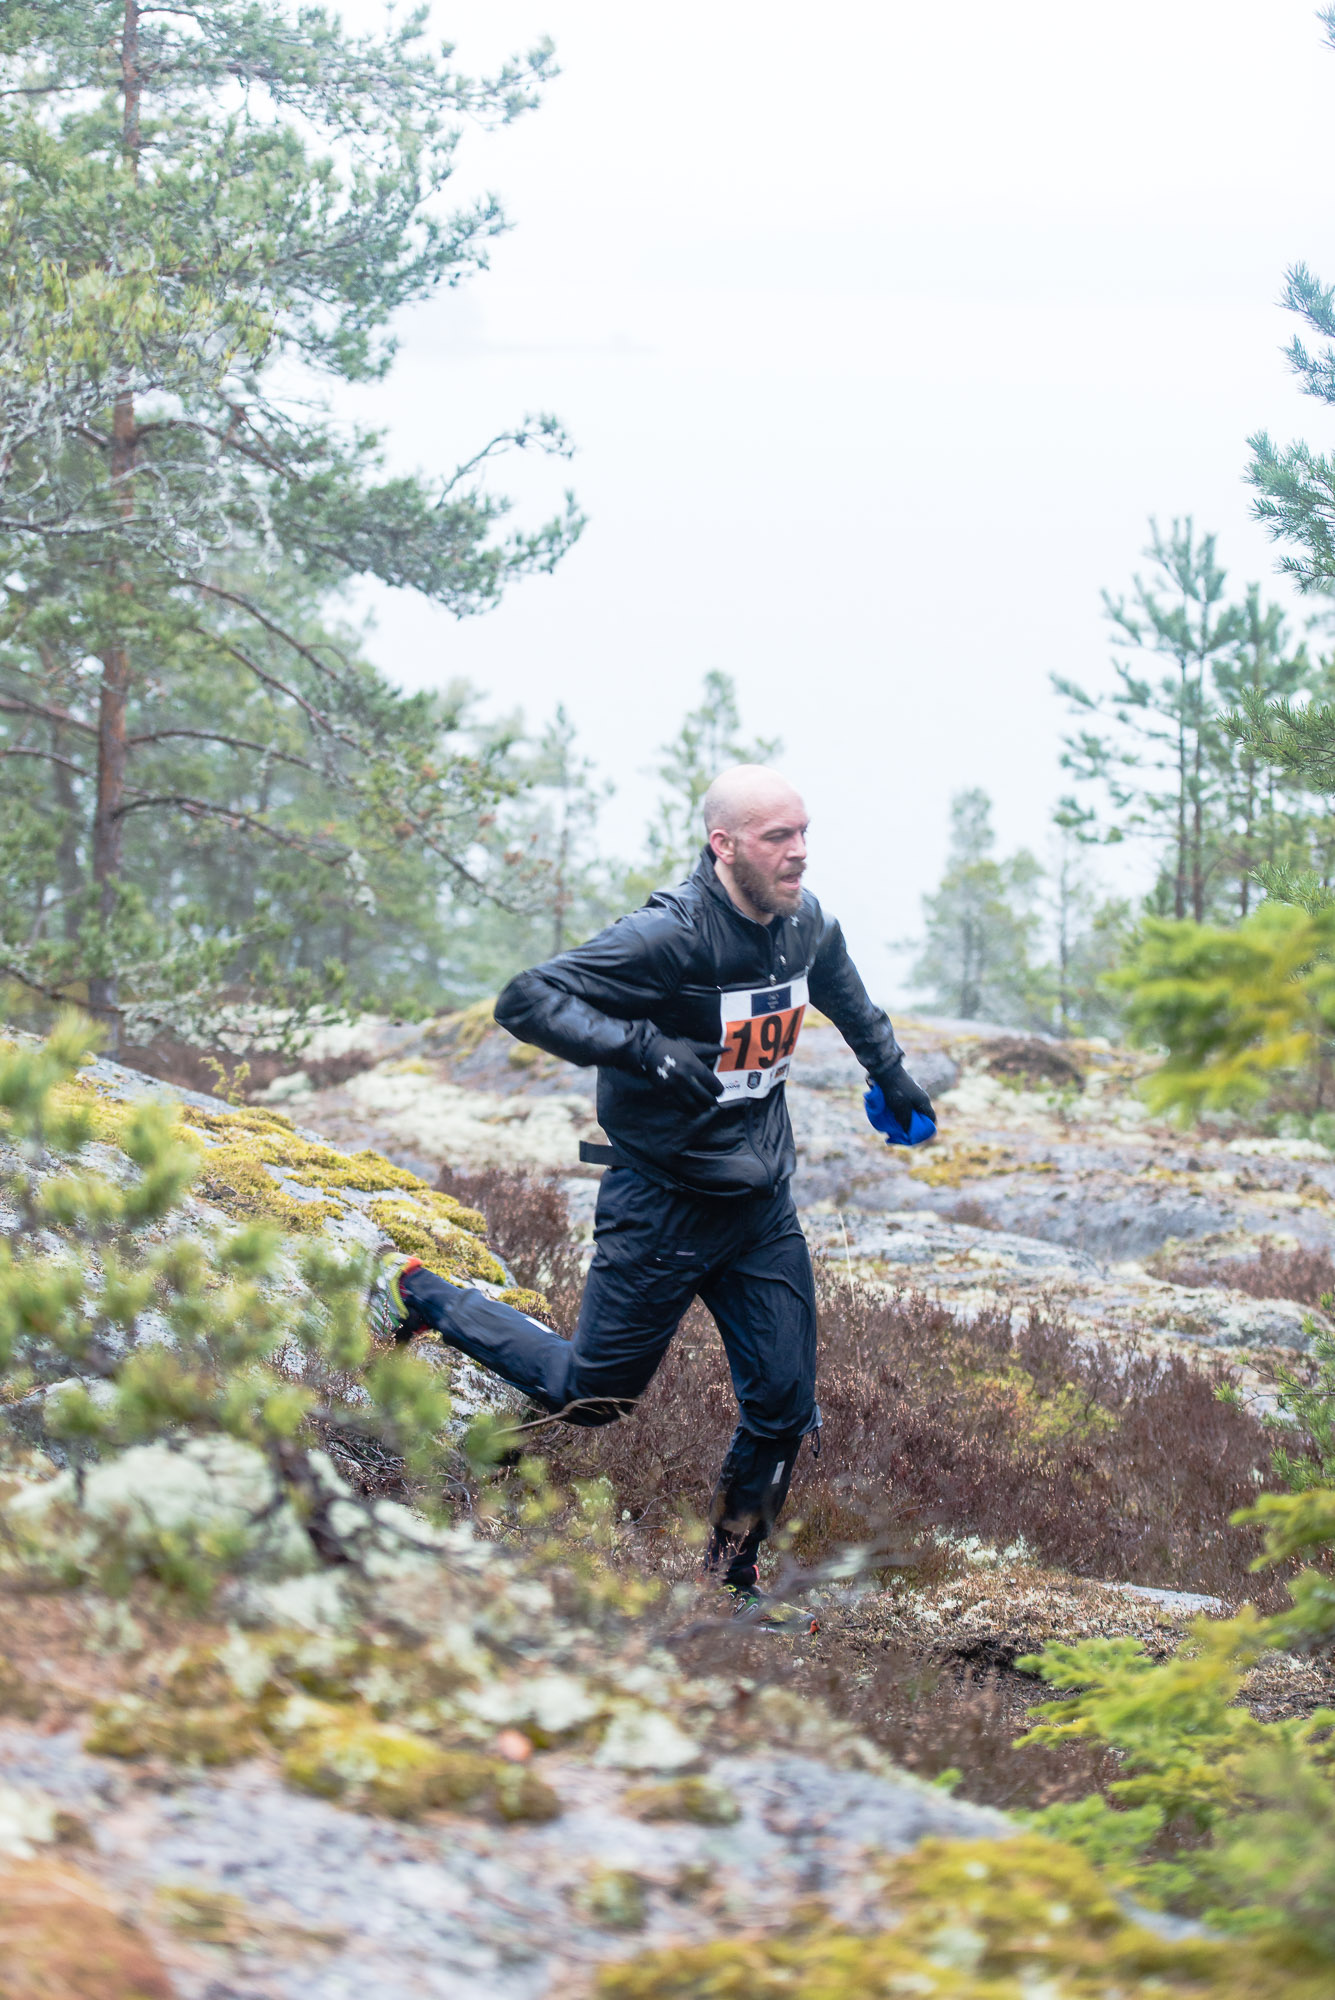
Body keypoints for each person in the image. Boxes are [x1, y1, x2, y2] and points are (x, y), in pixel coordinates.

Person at [370, 765, 935, 1610]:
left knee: (783, 1409)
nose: (799, 855)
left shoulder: (803, 924)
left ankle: (728, 1583)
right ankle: (422, 1292)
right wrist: (643, 1049)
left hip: (758, 1207)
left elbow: (849, 1002)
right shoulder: (668, 935)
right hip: (661, 1202)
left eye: (804, 834)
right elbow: (527, 999)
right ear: (725, 845)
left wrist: (892, 1077)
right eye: (778, 838)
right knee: (591, 1398)